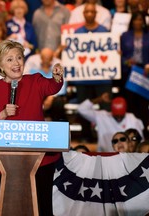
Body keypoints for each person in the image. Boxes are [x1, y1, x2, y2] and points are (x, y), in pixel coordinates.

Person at [0, 40, 64, 216]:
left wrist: (57, 77)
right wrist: (3, 114)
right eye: (10, 59)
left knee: (42, 209)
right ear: (0, 65)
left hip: (39, 160)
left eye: (19, 57)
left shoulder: (35, 80)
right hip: (5, 161)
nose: (16, 63)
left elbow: (52, 86)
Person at [72, 2, 112, 142]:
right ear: (83, 14)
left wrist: (116, 52)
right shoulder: (77, 33)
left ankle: (108, 135)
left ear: (96, 13)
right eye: (87, 12)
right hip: (83, 77)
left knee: (105, 106)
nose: (89, 14)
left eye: (92, 12)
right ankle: (85, 136)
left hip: (102, 77)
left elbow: (111, 50)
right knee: (83, 106)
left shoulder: (104, 31)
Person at [77, 92, 144, 152]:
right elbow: (81, 109)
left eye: (121, 116)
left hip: (127, 157)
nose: (119, 118)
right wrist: (100, 99)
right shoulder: (102, 116)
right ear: (112, 112)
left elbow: (140, 141)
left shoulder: (132, 119)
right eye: (116, 116)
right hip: (105, 157)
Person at [120, 11, 149, 138]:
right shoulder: (125, 36)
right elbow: (119, 54)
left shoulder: (148, 35)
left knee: (143, 103)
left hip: (145, 72)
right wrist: (126, 62)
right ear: (132, 21)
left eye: (140, 20)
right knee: (130, 102)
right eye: (135, 19)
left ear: (144, 22)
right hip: (129, 72)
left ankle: (144, 131)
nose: (138, 22)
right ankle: (131, 131)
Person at [24, 47, 67, 121]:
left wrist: (51, 97)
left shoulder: (58, 66)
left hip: (53, 95)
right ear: (40, 57)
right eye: (44, 58)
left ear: (52, 58)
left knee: (59, 102)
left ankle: (56, 124)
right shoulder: (32, 67)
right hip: (36, 94)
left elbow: (62, 86)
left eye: (49, 58)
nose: (47, 60)